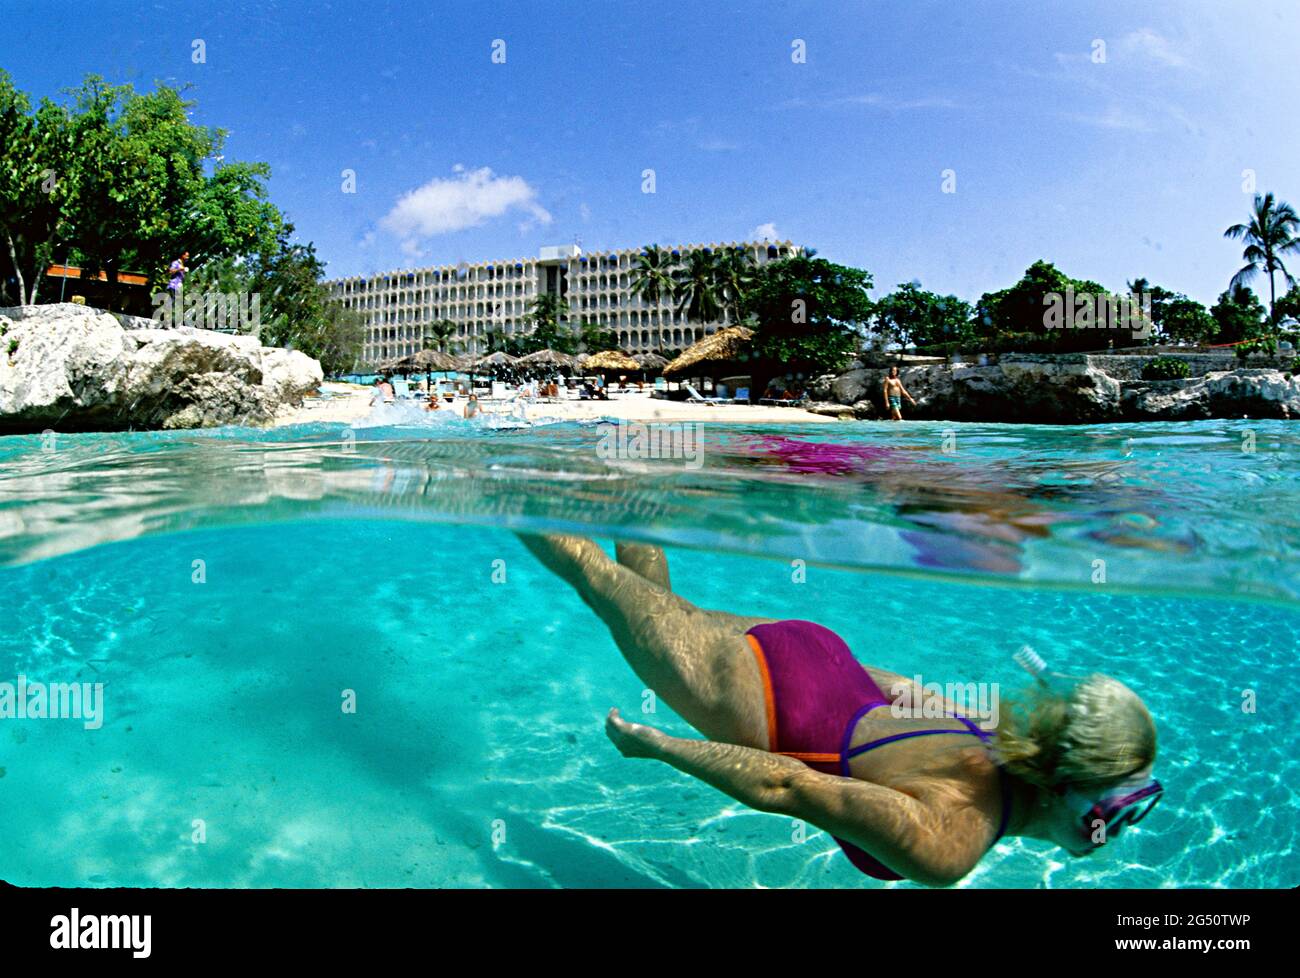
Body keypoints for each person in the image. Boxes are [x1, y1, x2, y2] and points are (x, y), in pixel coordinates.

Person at [518, 534, 1163, 886]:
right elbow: (785, 783)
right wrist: (658, 746)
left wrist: (825, 662)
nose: (1122, 827)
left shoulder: (998, 728)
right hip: (768, 701)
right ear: (1067, 788)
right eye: (1119, 808)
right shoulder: (949, 844)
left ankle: (628, 496)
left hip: (822, 659)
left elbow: (903, 690)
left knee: (645, 600)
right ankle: (503, 493)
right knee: (597, 579)